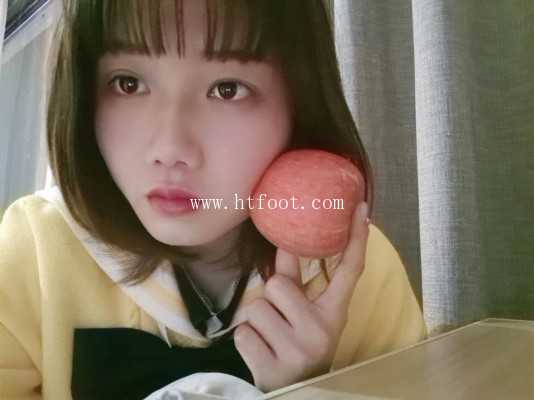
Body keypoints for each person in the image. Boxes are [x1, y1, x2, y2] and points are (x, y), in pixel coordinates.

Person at [0, 0, 427, 398]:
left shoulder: (355, 277)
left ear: (299, 105)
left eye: (227, 89)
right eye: (128, 84)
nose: (170, 148)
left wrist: (313, 389)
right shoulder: (31, 256)